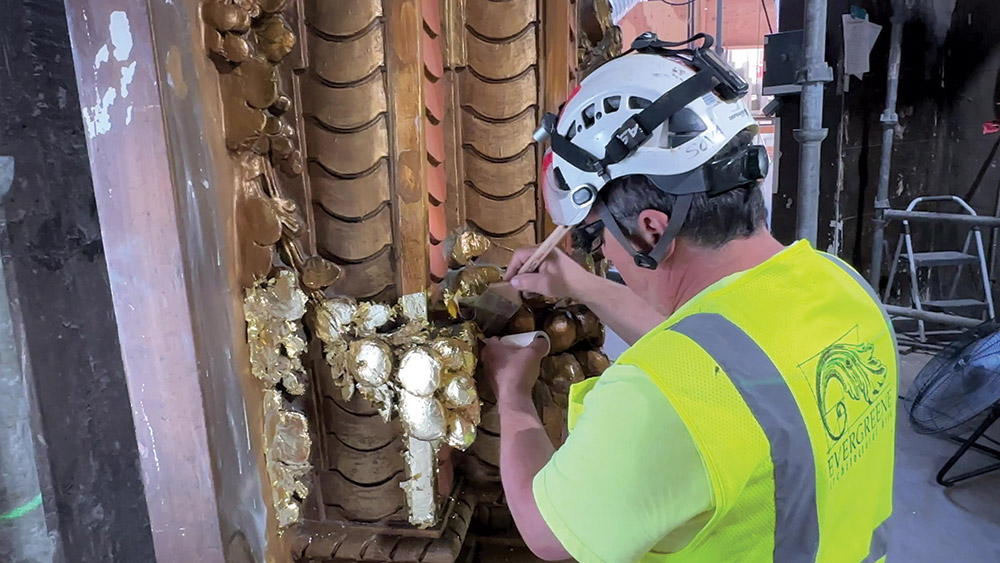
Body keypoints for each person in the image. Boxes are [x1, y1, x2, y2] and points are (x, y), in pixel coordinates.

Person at [480, 33, 897, 563]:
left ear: (651, 230)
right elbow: (721, 359)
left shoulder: (659, 398)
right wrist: (579, 284)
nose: (601, 251)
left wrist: (513, 393)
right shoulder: (841, 286)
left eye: (596, 236)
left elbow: (548, 532)